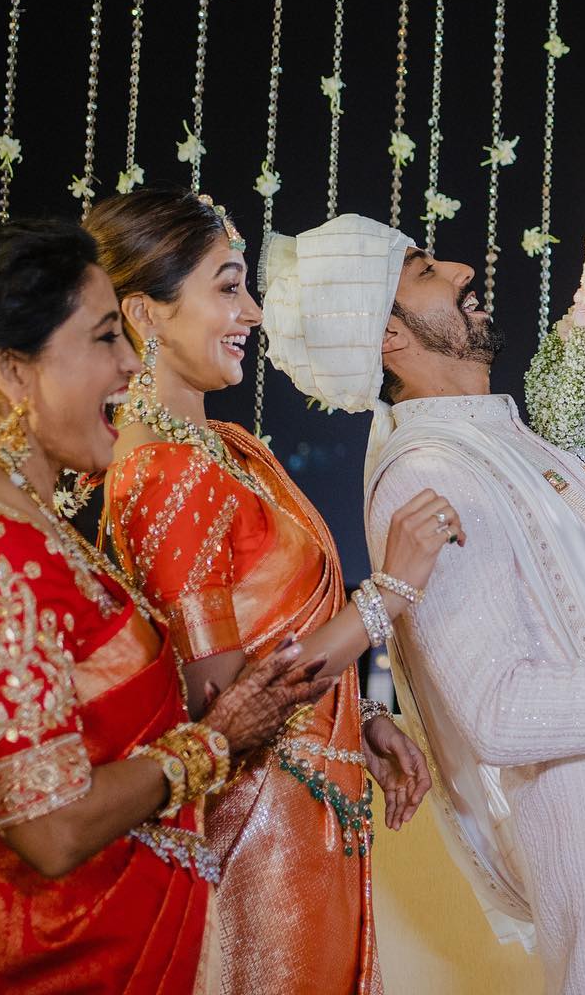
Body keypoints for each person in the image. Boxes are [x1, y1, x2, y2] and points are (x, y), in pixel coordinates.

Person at [260, 211, 585, 995]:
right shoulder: (425, 474)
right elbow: (503, 711)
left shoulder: (505, 444)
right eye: (427, 272)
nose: (464, 271)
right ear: (388, 335)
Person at [0, 219, 330, 994]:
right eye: (102, 339)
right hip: (51, 960)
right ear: (12, 373)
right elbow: (51, 828)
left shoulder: (13, 522)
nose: (129, 361)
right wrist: (215, 741)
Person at [87, 190, 456, 995]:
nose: (252, 313)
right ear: (145, 316)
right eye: (228, 288)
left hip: (305, 818)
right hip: (256, 839)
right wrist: (389, 592)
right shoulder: (163, 470)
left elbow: (272, 636)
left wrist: (360, 718)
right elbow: (220, 703)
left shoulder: (221, 449)